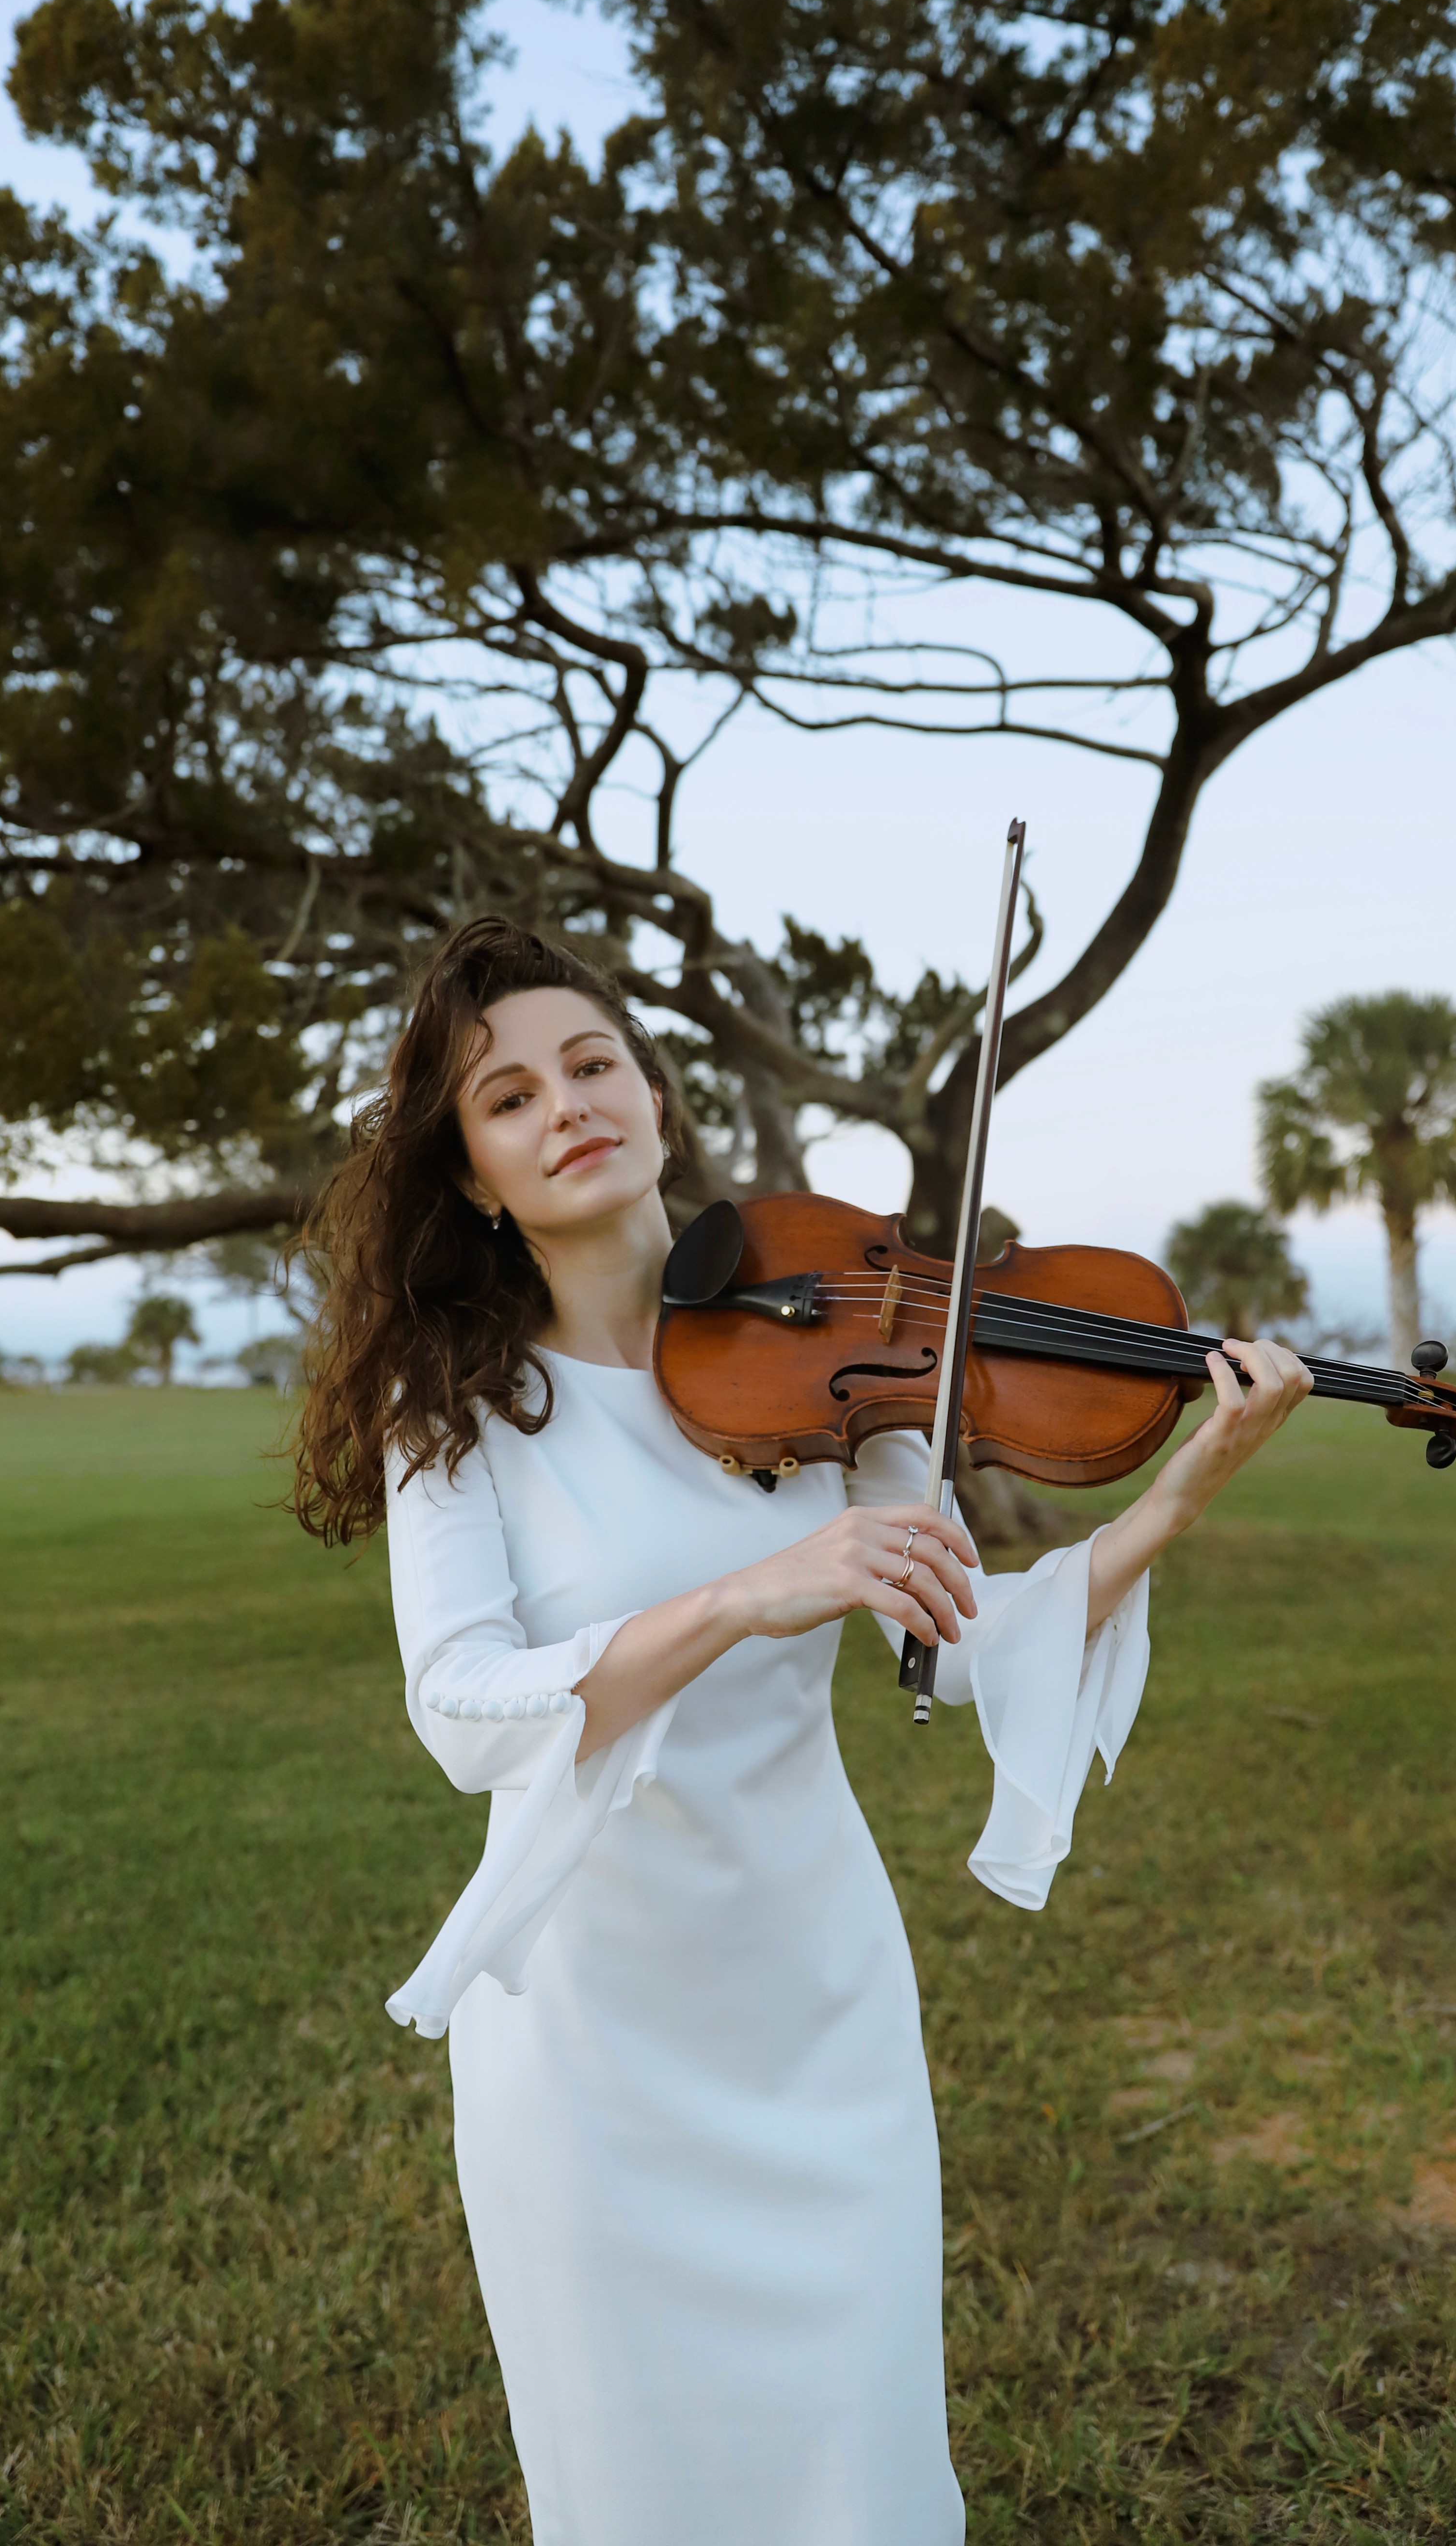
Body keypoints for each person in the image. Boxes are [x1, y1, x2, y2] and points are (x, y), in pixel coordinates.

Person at [291, 916, 1313, 2546]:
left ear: (655, 1096)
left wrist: (1176, 1495)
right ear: (473, 1174)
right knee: (634, 2479)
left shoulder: (841, 1360)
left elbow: (961, 1650)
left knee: (860, 2465)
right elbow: (465, 1715)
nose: (566, 1105)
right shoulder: (459, 1414)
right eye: (508, 1096)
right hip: (593, 2039)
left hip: (812, 1994)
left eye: (593, 1063)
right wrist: (744, 1597)